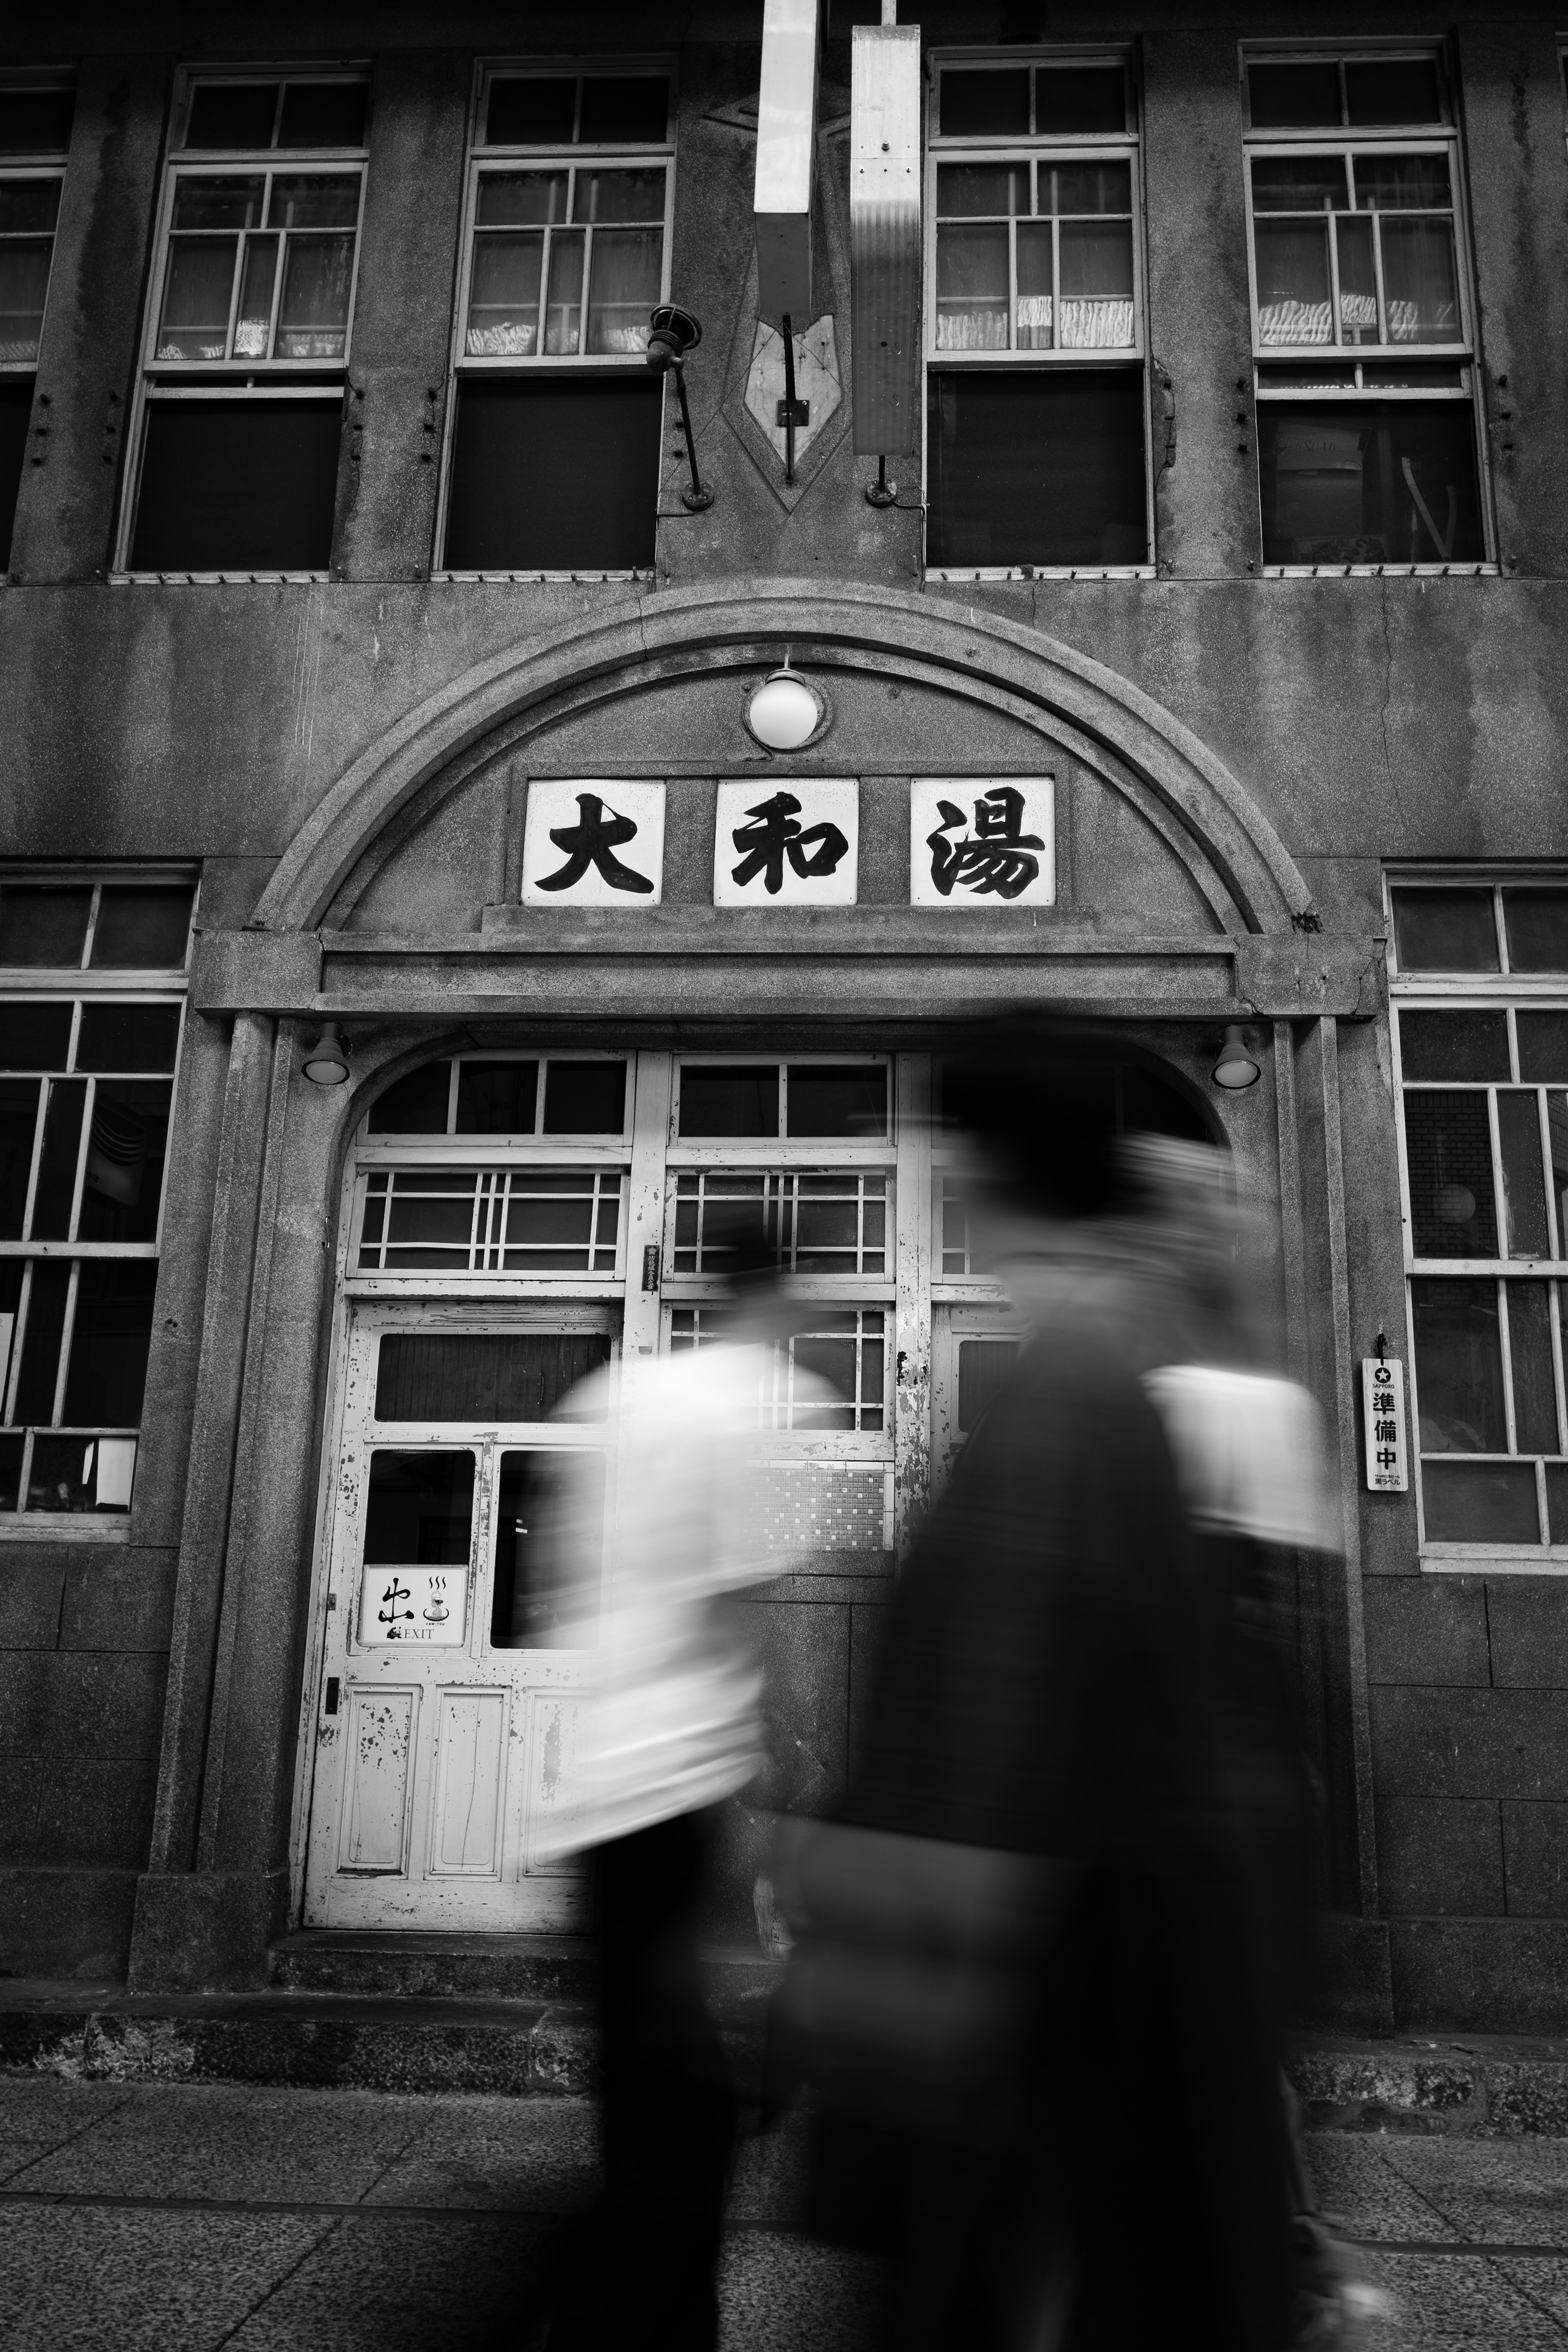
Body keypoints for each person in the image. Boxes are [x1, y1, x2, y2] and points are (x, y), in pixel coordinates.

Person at [788, 1028, 1299, 2352]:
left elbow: (983, 1747)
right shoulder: (1131, 1374)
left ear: (976, 1174)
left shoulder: (1068, 1394)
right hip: (1134, 1988)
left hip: (1050, 2008)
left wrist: (859, 2030)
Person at [535, 1211, 829, 2352]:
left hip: (599, 1786)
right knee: (684, 2099)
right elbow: (737, 1601)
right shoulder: (768, 1401)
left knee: (646, 2083)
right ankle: (622, 2315)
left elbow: (567, 1582)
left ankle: (640, 2315)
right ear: (783, 1290)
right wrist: (776, 1768)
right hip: (682, 1784)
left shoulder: (614, 1398)